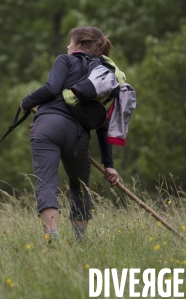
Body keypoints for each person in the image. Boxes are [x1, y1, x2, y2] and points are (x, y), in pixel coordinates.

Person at [20, 26, 120, 241]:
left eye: (70, 42)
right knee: (80, 187)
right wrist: (108, 164)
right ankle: (80, 240)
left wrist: (26, 102)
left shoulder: (65, 60)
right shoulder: (105, 75)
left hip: (48, 127)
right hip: (78, 137)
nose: (67, 46)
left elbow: (50, 88)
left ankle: (53, 237)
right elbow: (104, 122)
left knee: (46, 182)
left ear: (78, 45)